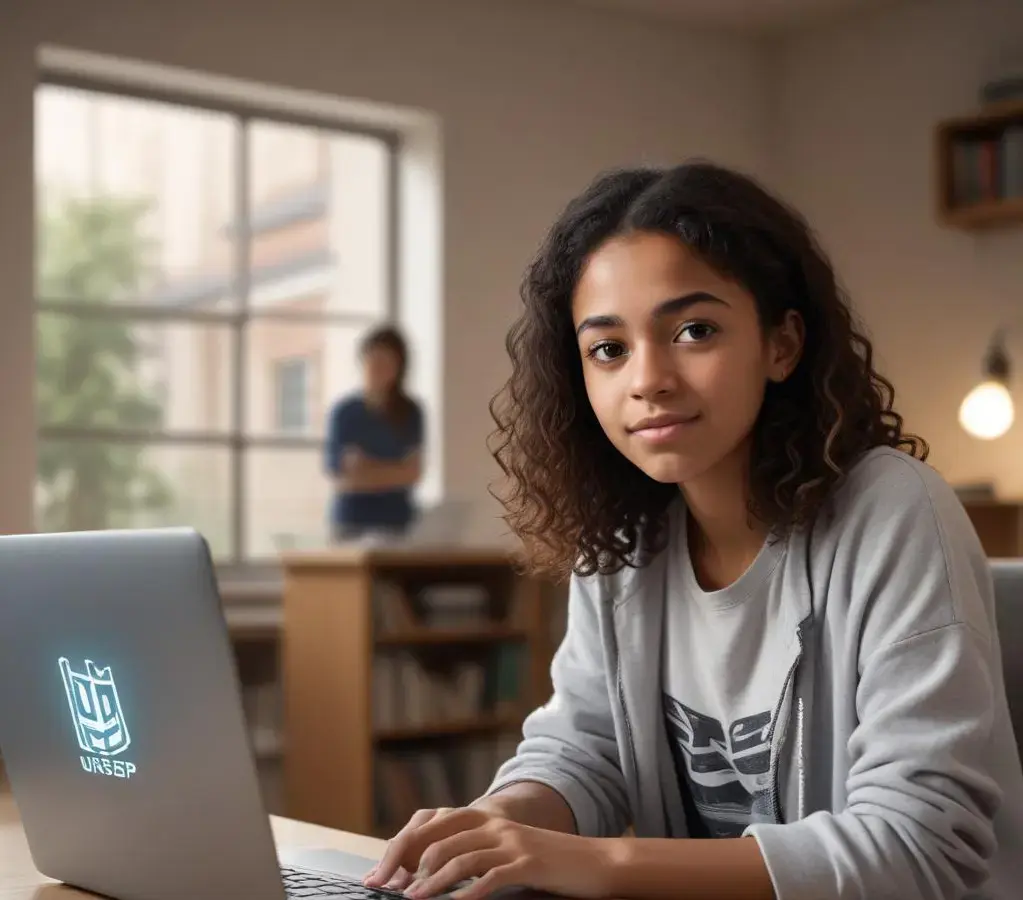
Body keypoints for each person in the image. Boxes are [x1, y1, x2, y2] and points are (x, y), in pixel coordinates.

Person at [363, 162, 1023, 899]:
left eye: (693, 330)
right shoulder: (621, 541)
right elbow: (584, 751)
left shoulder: (892, 511)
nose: (647, 378)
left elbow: (918, 845)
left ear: (781, 344)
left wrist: (601, 865)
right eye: (607, 348)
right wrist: (493, 828)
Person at [324, 324, 424, 541]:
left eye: (387, 362)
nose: (379, 368)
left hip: (397, 521)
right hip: (352, 521)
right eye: (374, 360)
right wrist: (395, 470)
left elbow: (413, 473)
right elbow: (342, 476)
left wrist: (367, 468)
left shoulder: (409, 411)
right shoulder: (345, 412)